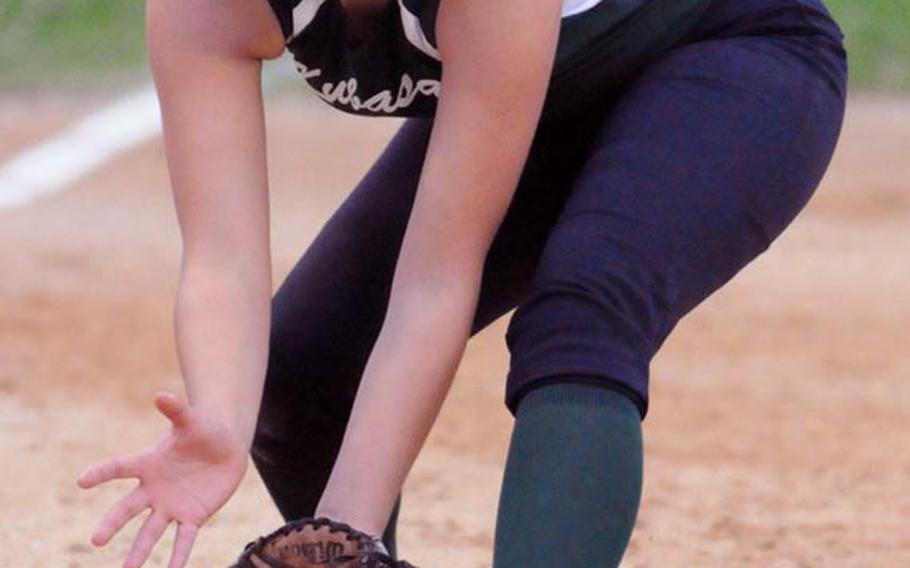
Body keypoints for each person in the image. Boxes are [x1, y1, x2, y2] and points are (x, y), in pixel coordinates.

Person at [76, 0, 848, 566]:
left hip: (735, 50)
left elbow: (435, 282)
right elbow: (222, 258)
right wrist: (221, 415)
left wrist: (345, 527)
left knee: (582, 312)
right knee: (304, 365)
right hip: (538, 98)